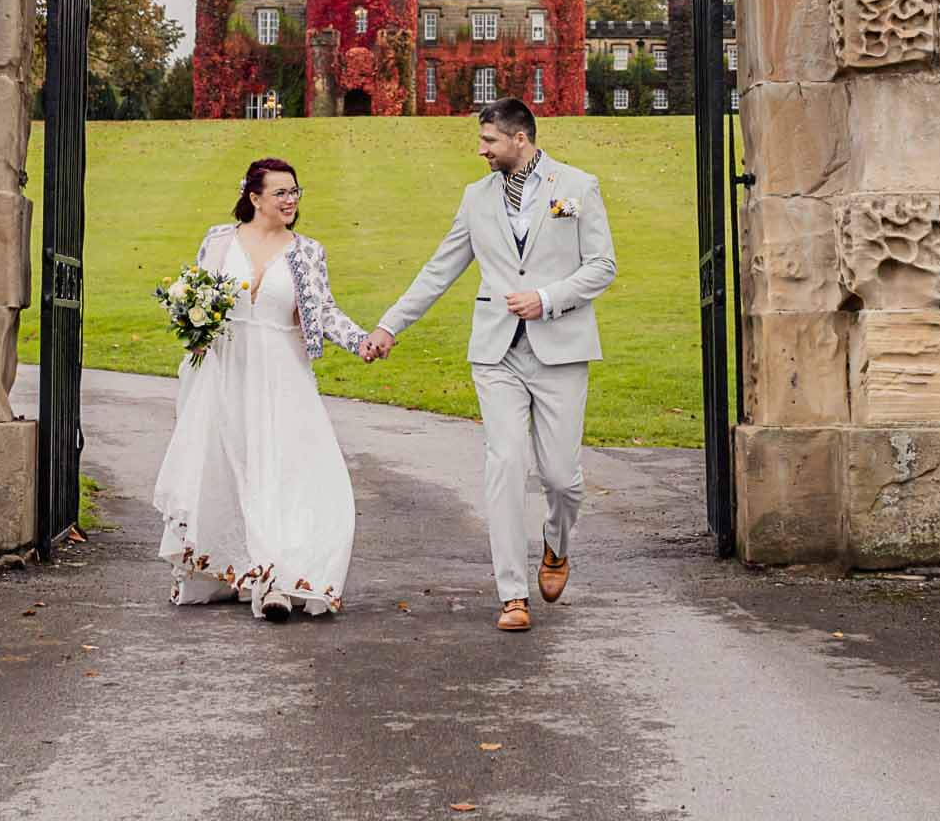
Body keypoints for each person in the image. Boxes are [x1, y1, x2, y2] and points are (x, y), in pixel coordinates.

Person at [365, 98, 616, 632]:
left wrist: (547, 298)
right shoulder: (475, 199)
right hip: (496, 353)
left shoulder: (577, 187)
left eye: (489, 142)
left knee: (561, 478)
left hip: (561, 349)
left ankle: (556, 545)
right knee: (504, 464)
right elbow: (440, 269)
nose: (480, 151)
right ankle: (512, 594)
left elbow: (602, 266)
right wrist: (390, 325)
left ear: (519, 138)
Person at [152, 155, 377, 621]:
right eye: (281, 192)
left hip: (282, 373)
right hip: (225, 371)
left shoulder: (307, 252)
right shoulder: (218, 241)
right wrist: (192, 327)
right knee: (228, 470)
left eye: (295, 191)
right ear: (254, 198)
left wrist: (362, 341)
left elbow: (325, 311)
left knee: (282, 471)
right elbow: (195, 296)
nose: (291, 199)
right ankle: (239, 570)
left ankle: (276, 579)